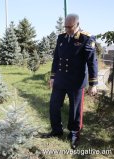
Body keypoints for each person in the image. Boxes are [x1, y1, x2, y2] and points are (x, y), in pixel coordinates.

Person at [45, 14, 98, 149]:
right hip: (60, 80)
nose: (68, 29)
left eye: (70, 27)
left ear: (77, 25)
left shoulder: (86, 38)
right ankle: (56, 131)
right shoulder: (61, 38)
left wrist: (93, 84)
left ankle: (74, 134)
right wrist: (52, 77)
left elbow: (92, 62)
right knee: (54, 106)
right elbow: (56, 59)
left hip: (76, 82)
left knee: (75, 110)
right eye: (66, 26)